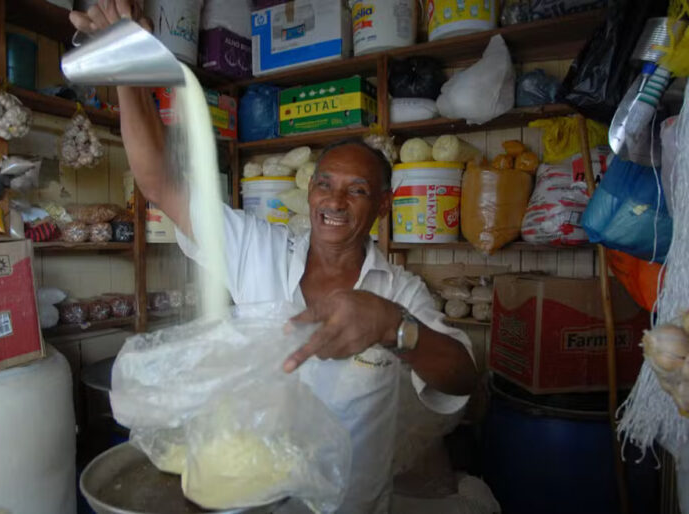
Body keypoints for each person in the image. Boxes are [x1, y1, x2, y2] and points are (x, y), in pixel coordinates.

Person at [71, 3, 477, 512]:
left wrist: (395, 327)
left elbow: (462, 376)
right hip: (252, 500)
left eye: (356, 191)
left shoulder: (400, 292)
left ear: (382, 205)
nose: (334, 201)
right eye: (324, 185)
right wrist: (126, 71)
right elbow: (159, 183)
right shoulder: (257, 248)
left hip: (349, 503)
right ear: (310, 192)